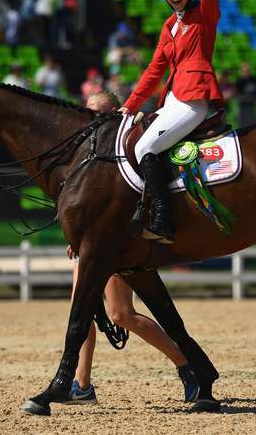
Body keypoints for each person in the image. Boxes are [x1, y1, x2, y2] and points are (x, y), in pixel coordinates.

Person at [65, 91, 200, 405]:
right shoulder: (93, 153)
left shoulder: (131, 147)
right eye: (88, 115)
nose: (90, 122)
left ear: (115, 114)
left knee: (121, 314)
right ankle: (81, 384)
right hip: (92, 244)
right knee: (79, 309)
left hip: (116, 244)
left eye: (97, 115)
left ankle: (187, 364)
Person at [116, 0, 224, 245]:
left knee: (144, 148)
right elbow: (155, 69)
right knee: (138, 144)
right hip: (172, 99)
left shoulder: (205, 14)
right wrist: (131, 105)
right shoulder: (168, 26)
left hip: (194, 98)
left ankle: (162, 220)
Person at [235, 62, 256, 126]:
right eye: (244, 71)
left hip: (252, 104)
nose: (246, 72)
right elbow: (237, 93)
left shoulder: (253, 79)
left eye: (247, 70)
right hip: (242, 105)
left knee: (252, 123)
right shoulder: (239, 80)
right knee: (242, 123)